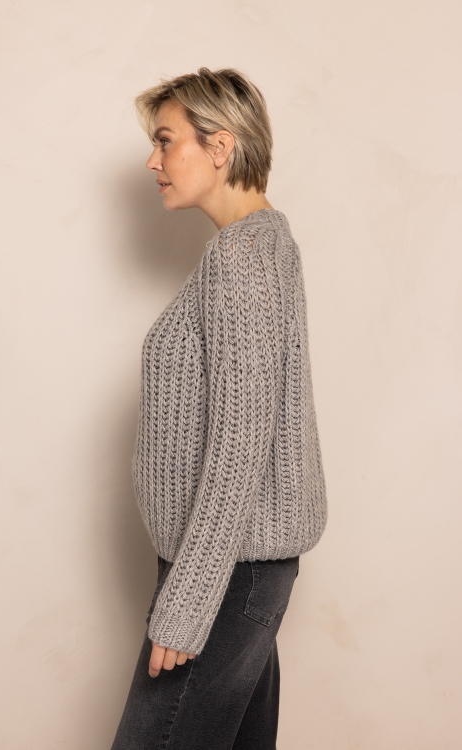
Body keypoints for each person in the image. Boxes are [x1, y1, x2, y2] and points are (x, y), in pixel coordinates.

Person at [110, 67, 327, 750]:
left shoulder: (243, 259)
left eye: (165, 140)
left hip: (226, 574)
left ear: (220, 146)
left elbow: (241, 442)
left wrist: (187, 602)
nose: (153, 161)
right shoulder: (260, 245)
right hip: (232, 568)